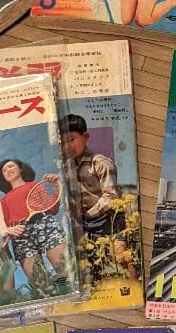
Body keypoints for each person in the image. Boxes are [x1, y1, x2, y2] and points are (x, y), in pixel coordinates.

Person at [59, 113, 137, 280]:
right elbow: (68, 195)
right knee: (85, 265)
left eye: (71, 139)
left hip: (108, 218)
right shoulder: (66, 167)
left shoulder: (101, 162)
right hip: (84, 222)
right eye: (63, 142)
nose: (67, 146)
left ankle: (134, 287)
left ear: (86, 137)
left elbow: (111, 196)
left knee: (120, 258)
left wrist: (88, 214)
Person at [0, 158, 69, 284]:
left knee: (65, 270)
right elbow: (5, 224)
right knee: (39, 283)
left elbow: (52, 208)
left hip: (45, 224)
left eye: (11, 166)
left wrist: (57, 185)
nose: (8, 170)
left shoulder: (35, 185)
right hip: (21, 236)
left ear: (21, 168)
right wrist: (10, 229)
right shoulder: (2, 201)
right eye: (4, 170)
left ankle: (67, 289)